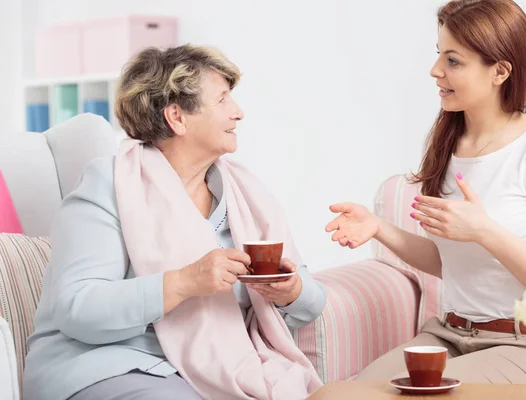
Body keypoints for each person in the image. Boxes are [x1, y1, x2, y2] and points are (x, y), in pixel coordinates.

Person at [23, 44, 325, 400]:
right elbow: (79, 308)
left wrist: (291, 292)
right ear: (177, 117)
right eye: (223, 100)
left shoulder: (247, 196)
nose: (238, 113)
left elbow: (311, 298)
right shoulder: (110, 185)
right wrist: (183, 282)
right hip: (107, 366)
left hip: (214, 371)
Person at [326, 0, 526, 385]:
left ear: (500, 71)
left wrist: (486, 231)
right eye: (439, 56)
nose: (435, 71)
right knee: (344, 395)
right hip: (449, 336)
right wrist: (378, 227)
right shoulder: (449, 144)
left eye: (453, 61)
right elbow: (449, 261)